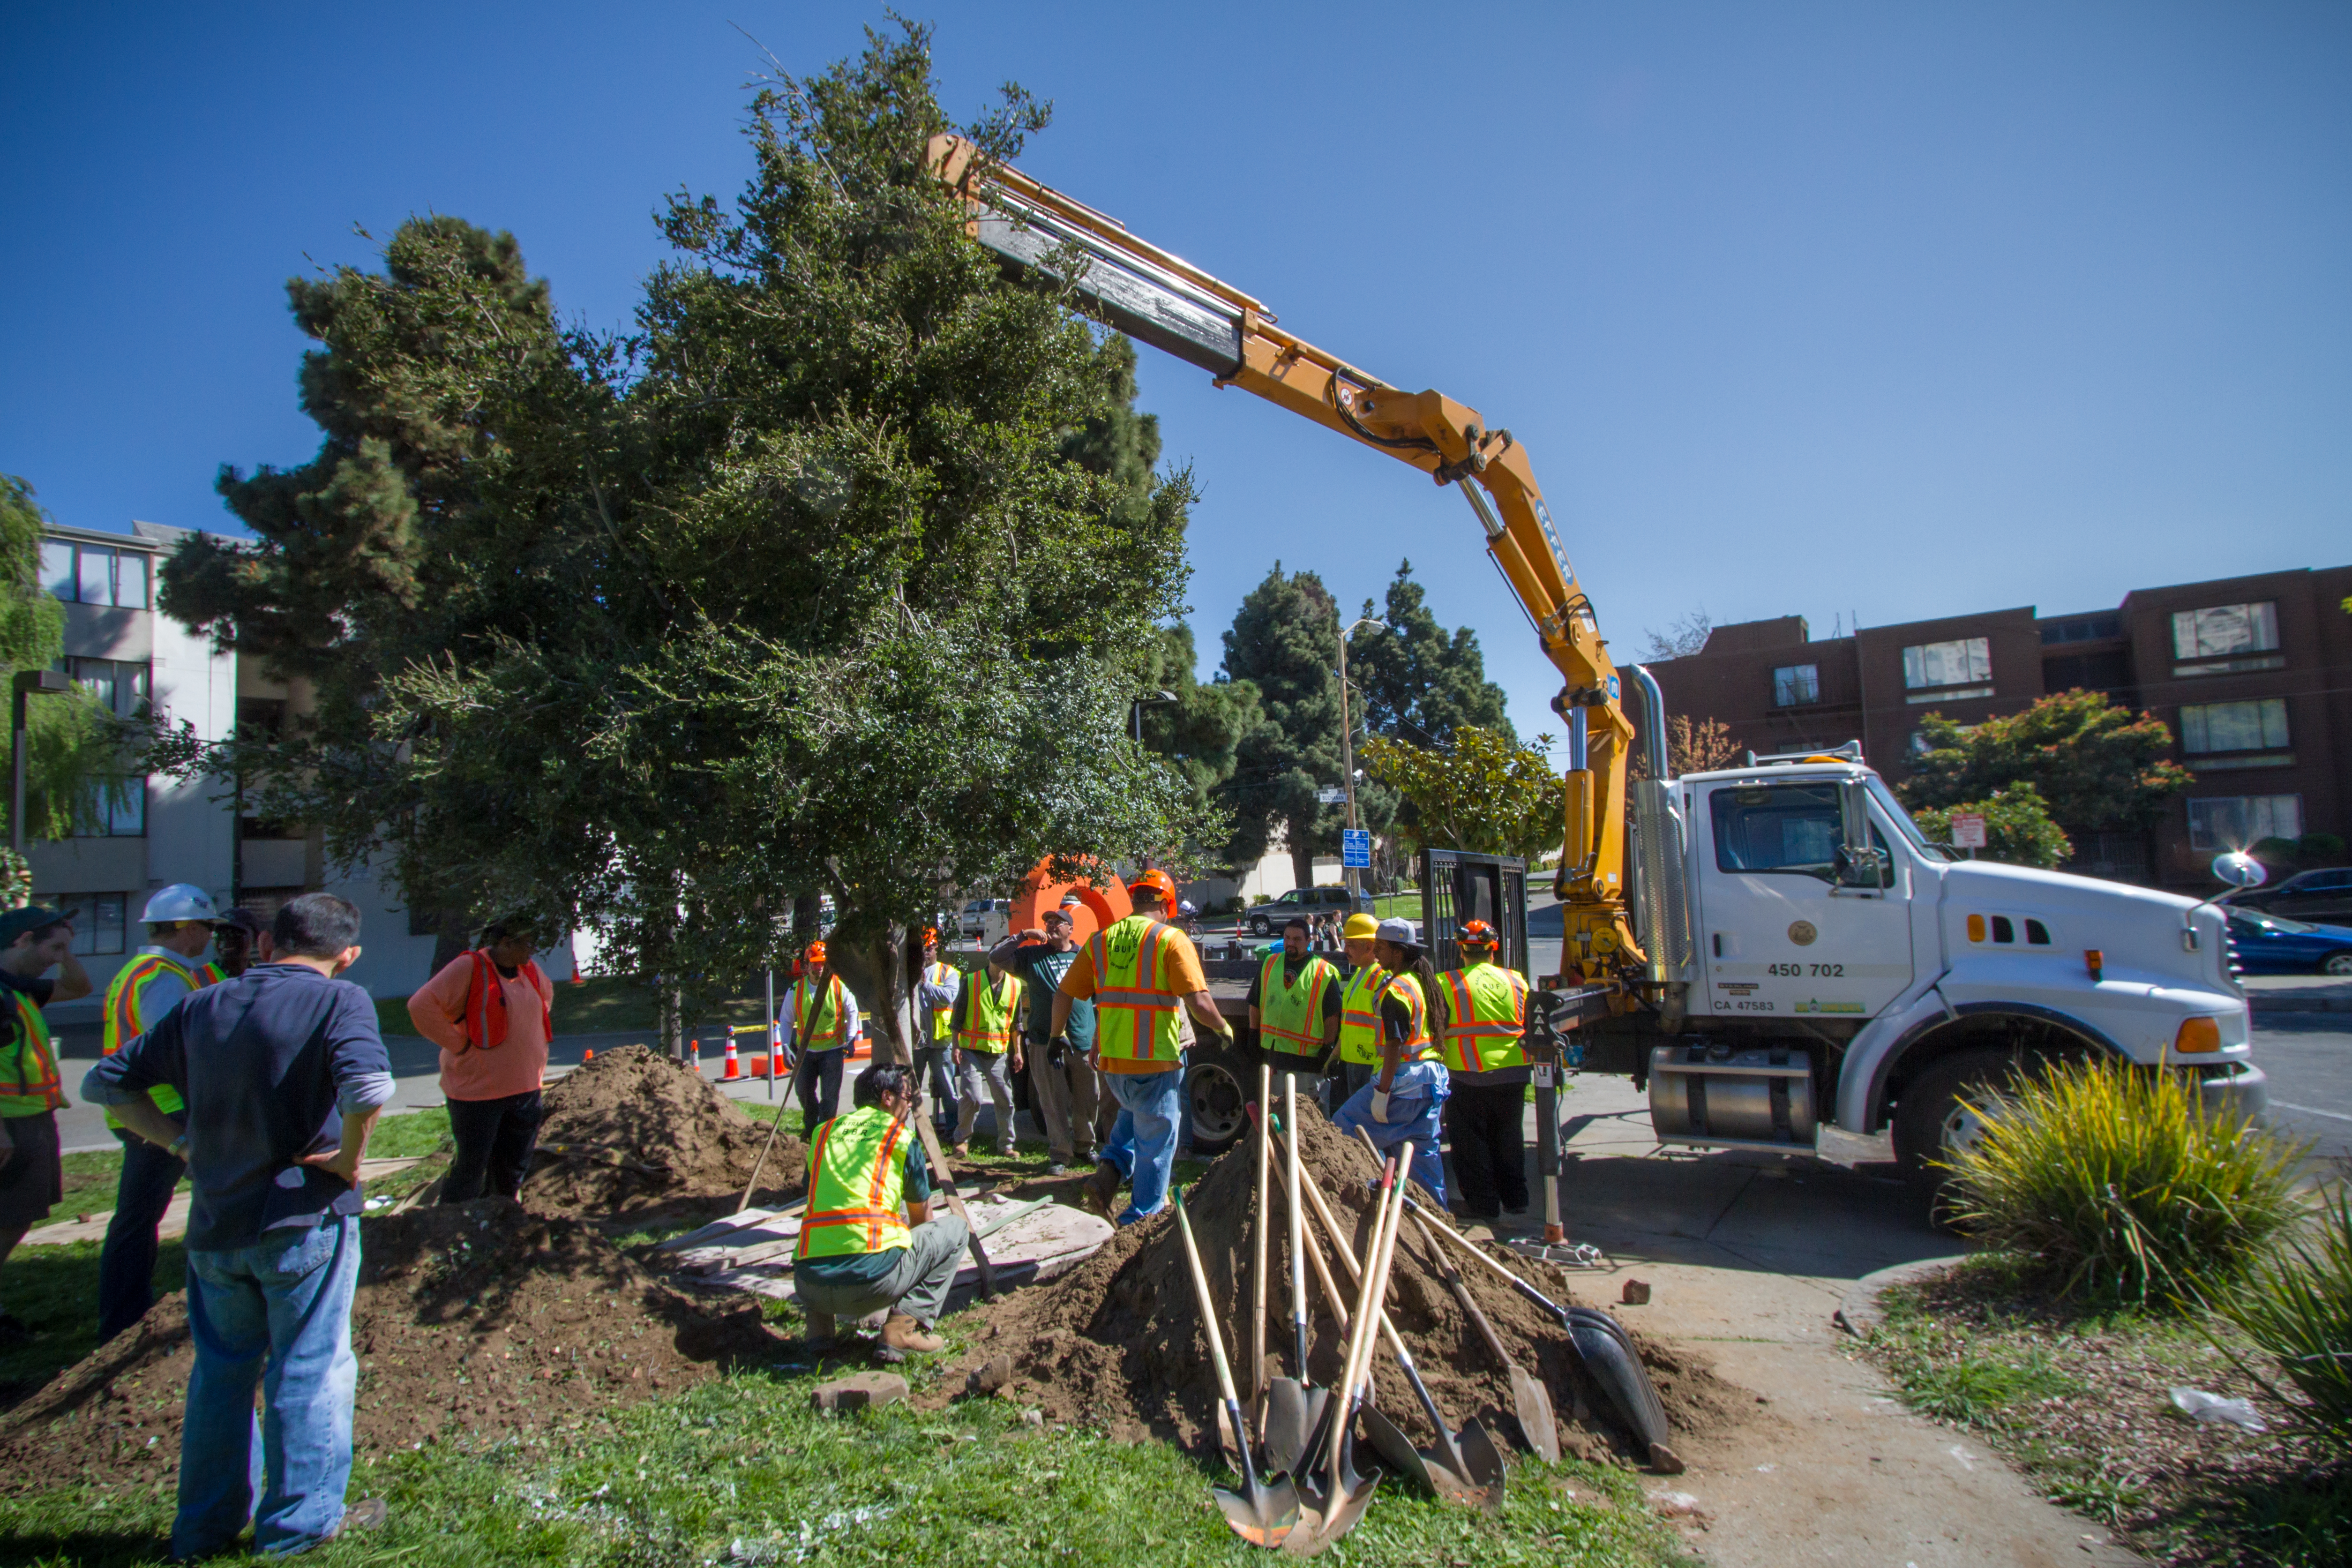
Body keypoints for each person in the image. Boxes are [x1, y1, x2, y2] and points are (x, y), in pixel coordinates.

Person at [82, 892, 394, 1558]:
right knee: (309, 1368)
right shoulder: (340, 1000)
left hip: (216, 1226)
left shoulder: (201, 1004)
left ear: (264, 946)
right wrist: (347, 1159)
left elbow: (107, 1085)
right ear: (349, 954)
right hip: (301, 1220)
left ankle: (202, 1528)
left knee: (221, 1376)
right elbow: (368, 1088)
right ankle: (298, 1527)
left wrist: (180, 1145)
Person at [1058, 868, 1235, 1226]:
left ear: (1135, 900)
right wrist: (1222, 1026)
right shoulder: (1171, 939)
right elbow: (1199, 1000)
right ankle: (1140, 1219)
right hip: (1156, 1060)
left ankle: (1107, 1176)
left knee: (1130, 1114)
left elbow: (1075, 993)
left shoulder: (1100, 940)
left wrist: (1059, 1036)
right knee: (1157, 1141)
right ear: (1167, 905)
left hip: (1114, 1063)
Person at [96, 883, 223, 1344]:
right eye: (208, 927)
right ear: (186, 927)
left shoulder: (146, 970)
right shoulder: (163, 977)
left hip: (147, 1110)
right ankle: (125, 1320)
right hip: (163, 1113)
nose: (211, 936)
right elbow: (175, 1048)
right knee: (141, 1217)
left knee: (137, 1216)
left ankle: (124, 1314)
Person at [792, 1060, 968, 1356]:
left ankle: (819, 1336)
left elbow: (815, 1197)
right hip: (870, 1283)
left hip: (810, 1285)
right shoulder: (898, 1138)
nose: (909, 1107)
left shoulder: (823, 1134)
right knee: (956, 1229)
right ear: (888, 1097)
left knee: (823, 1231)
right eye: (908, 1099)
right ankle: (902, 1329)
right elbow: (921, 1221)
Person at [406, 917, 555, 1204]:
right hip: (477, 1094)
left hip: (525, 1090)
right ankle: (453, 1228)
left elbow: (545, 999)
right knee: (471, 1169)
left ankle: (501, 1223)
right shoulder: (469, 968)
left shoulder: (530, 971)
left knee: (513, 1169)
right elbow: (420, 1006)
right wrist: (458, 1044)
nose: (533, 950)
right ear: (504, 943)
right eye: (527, 943)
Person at [0, 905, 90, 1343]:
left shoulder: (19, 988)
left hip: (32, 1119)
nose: (59, 957)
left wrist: (67, 951)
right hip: (9, 1125)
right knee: (8, 1217)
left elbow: (79, 986)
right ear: (22, 940)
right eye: (53, 947)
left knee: (18, 1216)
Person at [1331, 916, 1449, 1206]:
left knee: (1341, 1128)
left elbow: (1394, 1045)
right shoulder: (1420, 983)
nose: (1377, 952)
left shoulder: (1395, 990)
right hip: (1429, 1082)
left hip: (1403, 1084)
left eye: (1381, 947)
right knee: (1422, 1157)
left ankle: (1369, 1194)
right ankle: (1437, 1216)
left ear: (1398, 952)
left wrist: (1382, 1093)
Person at [993, 895, 1105, 1176]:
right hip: (1044, 1041)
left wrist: (1098, 1036)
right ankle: (1060, 1154)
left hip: (1082, 1040)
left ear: (1071, 929)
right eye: (1048, 922)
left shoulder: (1085, 956)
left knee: (1089, 1096)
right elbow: (996, 957)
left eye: (1059, 922)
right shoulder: (1032, 957)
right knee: (1052, 1101)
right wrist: (1021, 936)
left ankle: (1084, 1146)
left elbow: (1101, 996)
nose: (1052, 926)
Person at [1433, 918, 1531, 1220]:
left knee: (1470, 1142)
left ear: (1462, 950)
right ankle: (1516, 1199)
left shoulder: (1446, 983)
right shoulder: (1516, 980)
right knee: (1509, 1136)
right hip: (1514, 1071)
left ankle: (1483, 1204)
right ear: (1493, 950)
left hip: (1467, 1073)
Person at [1250, 916, 1340, 1094]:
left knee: (1308, 1117)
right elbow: (1255, 1002)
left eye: (1297, 939)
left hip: (1308, 1060)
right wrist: (1254, 1034)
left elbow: (1332, 1016)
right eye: (1287, 938)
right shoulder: (1270, 963)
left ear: (1309, 940)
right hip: (1275, 1055)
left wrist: (1328, 1047)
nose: (1291, 943)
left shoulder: (1324, 971)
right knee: (1277, 1114)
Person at [950, 958, 1024, 1158]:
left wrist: (1017, 1051)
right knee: (972, 1097)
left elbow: (1016, 1023)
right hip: (971, 1050)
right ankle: (962, 1140)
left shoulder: (1015, 985)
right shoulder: (972, 981)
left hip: (998, 1052)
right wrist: (955, 1046)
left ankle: (1006, 1145)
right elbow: (957, 1017)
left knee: (1006, 1099)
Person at [784, 942, 858, 1137]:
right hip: (806, 1053)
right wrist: (786, 1047)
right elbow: (785, 1020)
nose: (819, 968)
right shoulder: (796, 991)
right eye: (815, 964)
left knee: (830, 1096)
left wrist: (851, 1039)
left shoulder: (838, 986)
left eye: (823, 964)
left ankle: (824, 1133)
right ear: (807, 966)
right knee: (803, 1092)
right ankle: (810, 1125)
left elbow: (853, 1012)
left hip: (832, 1052)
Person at [1332, 913, 1388, 1104]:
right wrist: (1336, 1053)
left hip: (1369, 1065)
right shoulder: (1359, 974)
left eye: (1351, 945)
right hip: (1354, 1061)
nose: (1345, 950)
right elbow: (1350, 1023)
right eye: (1345, 944)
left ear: (1370, 946)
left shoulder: (1381, 978)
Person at [911, 930, 962, 1140]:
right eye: (922, 948)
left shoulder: (947, 972)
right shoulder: (909, 971)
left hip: (941, 1041)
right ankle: (911, 1131)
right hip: (916, 1043)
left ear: (936, 949)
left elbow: (949, 995)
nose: (926, 952)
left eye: (930, 948)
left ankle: (954, 1130)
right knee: (910, 1087)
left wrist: (925, 984)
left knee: (948, 1088)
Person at [194, 907, 266, 986]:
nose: (226, 941)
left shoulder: (261, 978)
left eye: (235, 934)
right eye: (220, 934)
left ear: (255, 939)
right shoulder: (198, 978)